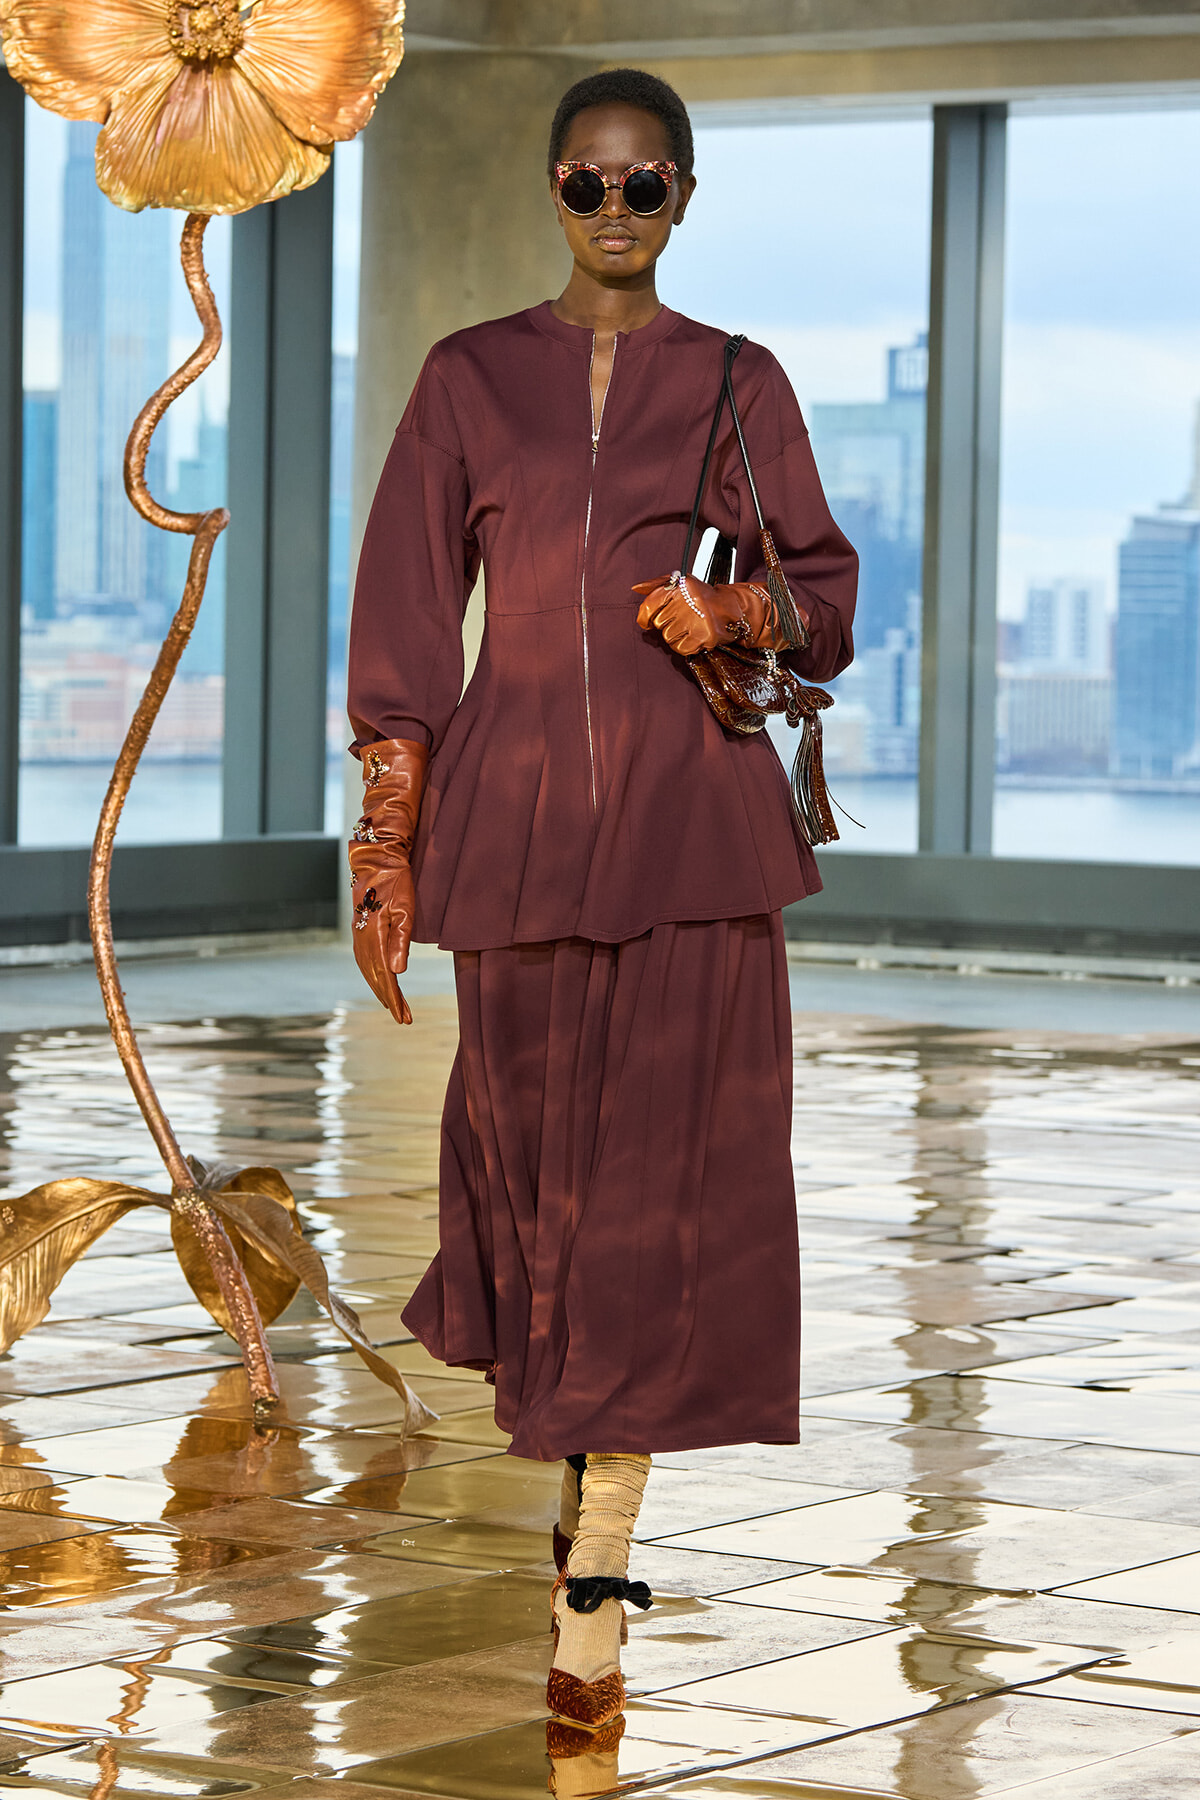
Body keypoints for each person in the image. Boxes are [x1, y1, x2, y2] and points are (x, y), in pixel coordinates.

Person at [346, 67, 857, 1735]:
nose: (617, 209)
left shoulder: (735, 379)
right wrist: (384, 842)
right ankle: (581, 1472)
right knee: (530, 1170)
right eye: (590, 182)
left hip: (692, 838)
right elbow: (410, 622)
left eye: (648, 185)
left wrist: (735, 618)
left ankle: (598, 1572)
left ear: (687, 196)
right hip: (511, 832)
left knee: (659, 1185)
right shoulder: (467, 378)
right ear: (551, 189)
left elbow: (825, 595)